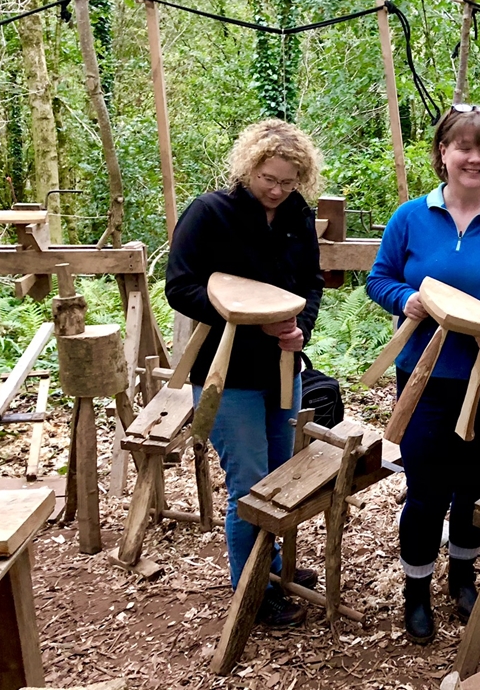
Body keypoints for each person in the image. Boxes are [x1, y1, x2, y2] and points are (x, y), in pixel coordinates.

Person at [366, 104, 480, 645]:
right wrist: (407, 298)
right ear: (442, 153)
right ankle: (416, 590)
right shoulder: (410, 218)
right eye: (463, 147)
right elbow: (379, 279)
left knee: (474, 482)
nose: (475, 157)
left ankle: (462, 576)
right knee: (425, 488)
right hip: (425, 378)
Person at [166, 119, 325, 627]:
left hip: (281, 365)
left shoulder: (299, 215)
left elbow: (310, 283)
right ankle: (251, 592)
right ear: (248, 167)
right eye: (268, 179)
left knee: (280, 479)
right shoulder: (210, 213)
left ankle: (272, 568)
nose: (277, 191)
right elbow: (179, 287)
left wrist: (300, 327)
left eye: (288, 182)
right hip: (226, 371)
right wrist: (243, 312)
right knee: (250, 486)